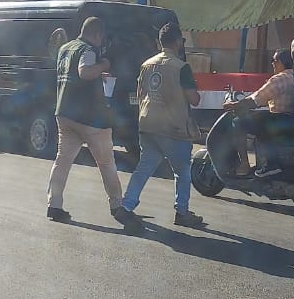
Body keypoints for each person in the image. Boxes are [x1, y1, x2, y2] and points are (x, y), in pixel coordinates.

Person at [47, 16, 143, 232]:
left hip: (64, 113)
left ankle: (54, 204)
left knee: (62, 161)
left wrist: (97, 73)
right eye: (102, 38)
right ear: (97, 34)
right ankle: (117, 206)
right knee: (106, 163)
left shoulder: (65, 49)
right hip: (90, 117)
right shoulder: (88, 49)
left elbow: (73, 75)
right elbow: (84, 72)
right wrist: (103, 65)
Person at [122, 22, 204, 227]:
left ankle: (127, 205)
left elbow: (140, 94)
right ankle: (182, 212)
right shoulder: (181, 67)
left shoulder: (146, 65)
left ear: (160, 42)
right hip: (173, 128)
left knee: (143, 168)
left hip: (148, 124)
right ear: (177, 42)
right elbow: (194, 99)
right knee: (182, 172)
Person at [226, 49, 294, 177]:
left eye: (274, 60)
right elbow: (267, 98)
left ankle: (245, 164)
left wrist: (235, 105)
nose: (272, 63)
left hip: (279, 121)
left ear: (281, 62)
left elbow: (257, 99)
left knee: (238, 122)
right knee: (258, 120)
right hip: (292, 122)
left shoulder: (279, 79)